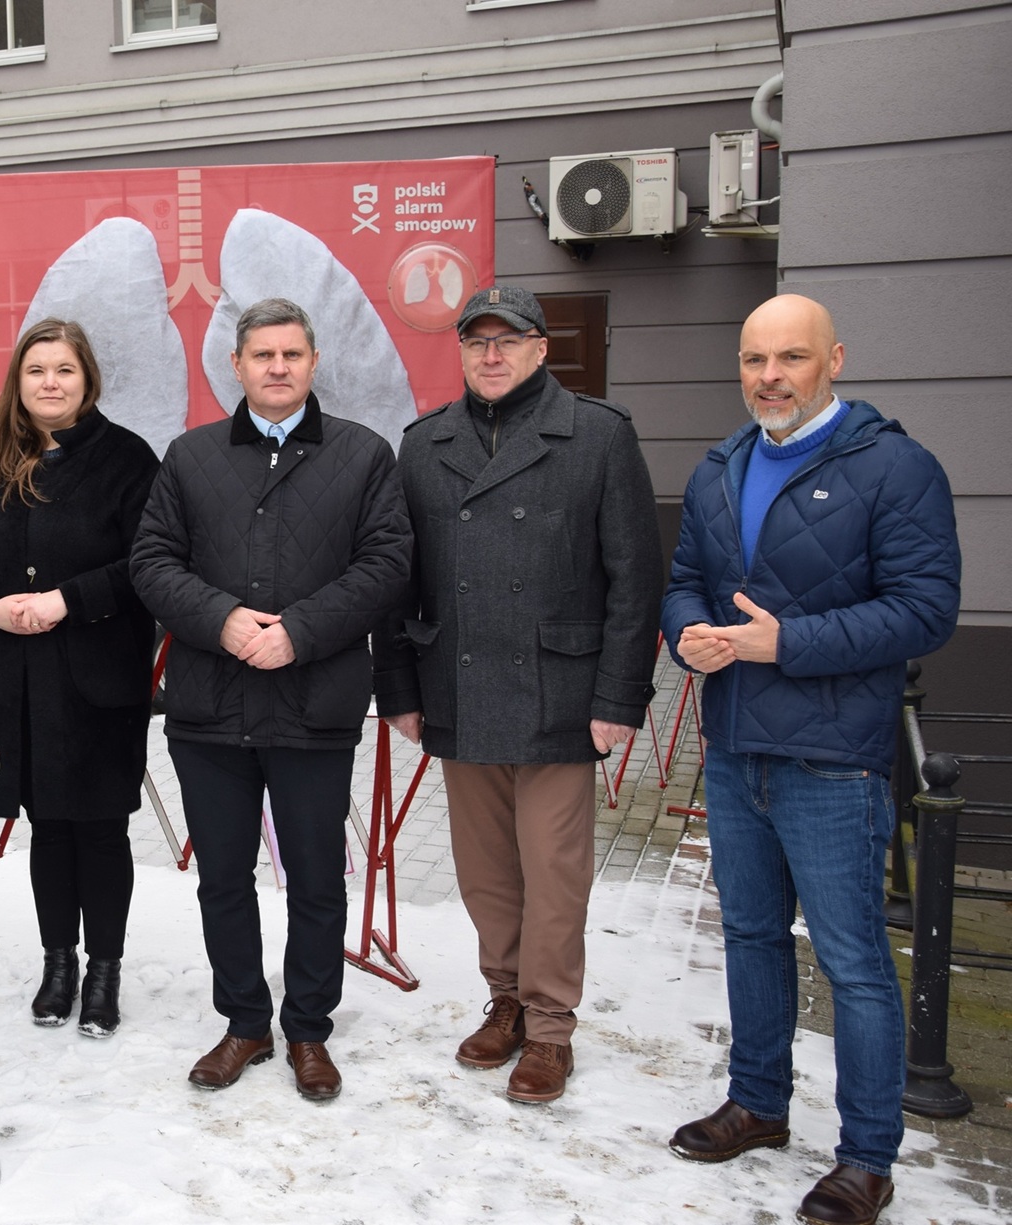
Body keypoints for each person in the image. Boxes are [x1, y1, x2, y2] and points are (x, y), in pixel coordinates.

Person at [662, 294, 960, 1225]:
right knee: (750, 938)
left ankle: (867, 1157)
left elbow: (924, 610)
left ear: (835, 357)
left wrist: (781, 644)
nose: (770, 377)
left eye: (790, 357)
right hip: (737, 747)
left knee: (853, 962)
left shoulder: (895, 467)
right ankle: (758, 1102)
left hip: (833, 759)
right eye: (754, 360)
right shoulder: (722, 466)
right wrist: (689, 641)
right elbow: (683, 586)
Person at [373, 285, 662, 1104]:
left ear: (541, 349)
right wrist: (397, 685)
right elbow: (400, 580)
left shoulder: (598, 436)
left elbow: (635, 580)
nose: (491, 355)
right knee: (486, 870)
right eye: (477, 342)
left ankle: (549, 1025)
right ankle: (503, 998)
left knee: (555, 867)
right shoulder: (424, 443)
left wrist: (619, 696)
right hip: (458, 686)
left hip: (561, 692)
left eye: (509, 340)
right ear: (461, 351)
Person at [130, 297, 409, 1101]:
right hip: (210, 708)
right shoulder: (189, 456)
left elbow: (387, 563)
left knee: (317, 876)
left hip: (314, 702)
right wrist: (223, 621)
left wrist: (300, 631)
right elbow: (152, 562)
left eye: (292, 354)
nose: (278, 367)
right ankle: (245, 1020)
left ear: (314, 363)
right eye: (263, 356)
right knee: (222, 874)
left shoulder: (363, 456)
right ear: (238, 366)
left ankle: (309, 1030)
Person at [0, 318, 159, 1038]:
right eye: (36, 371)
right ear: (18, 384)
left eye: (63, 369)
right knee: (46, 828)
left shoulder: (127, 459)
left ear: (87, 378)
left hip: (97, 679)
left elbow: (150, 561)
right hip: (18, 680)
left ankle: (104, 969)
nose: (50, 383)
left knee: (98, 828)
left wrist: (69, 599)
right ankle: (59, 961)